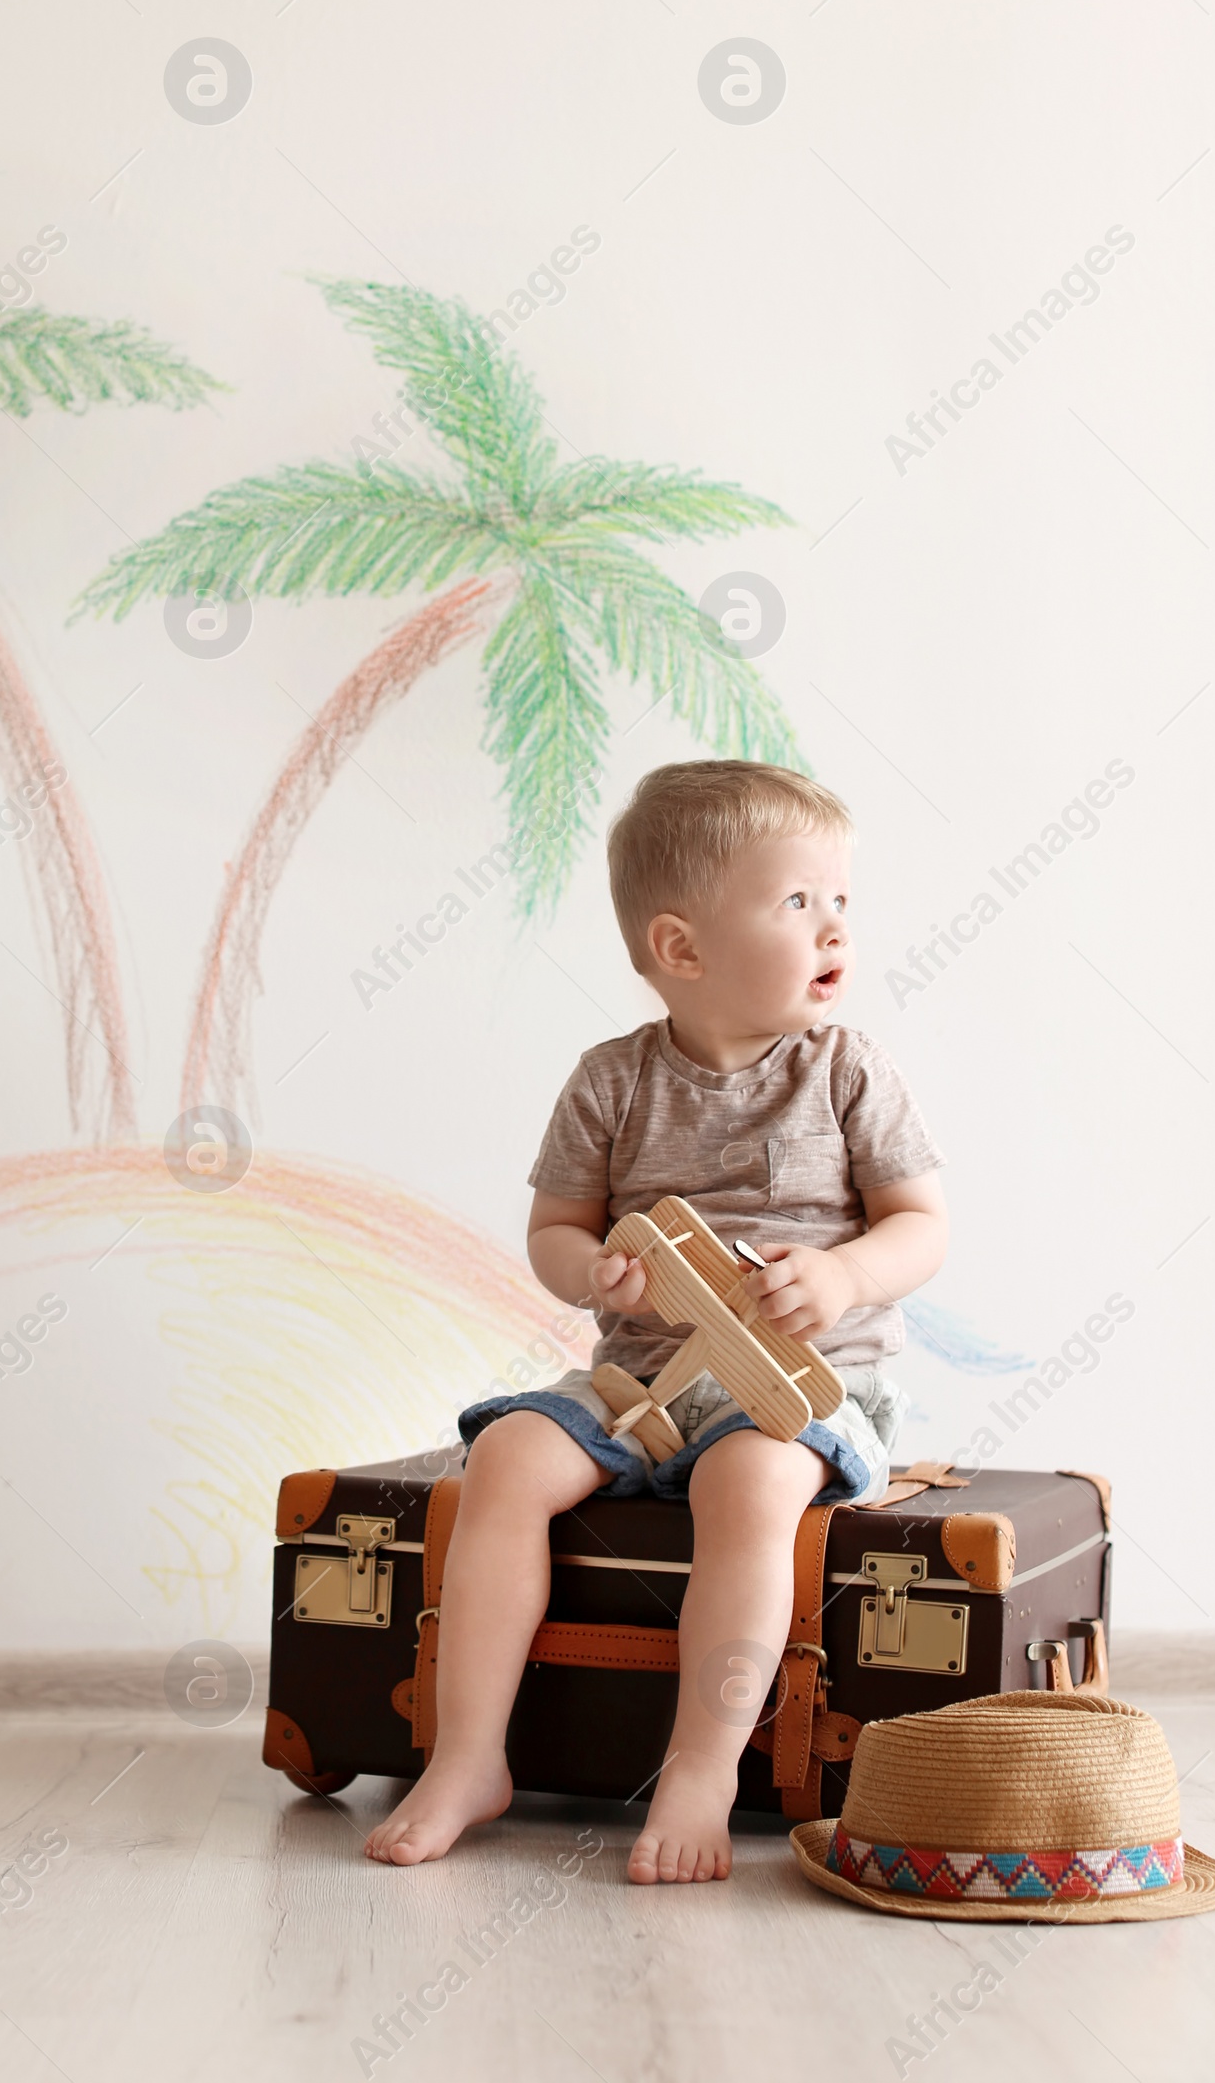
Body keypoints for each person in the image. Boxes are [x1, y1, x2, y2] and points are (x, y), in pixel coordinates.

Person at [363, 760, 948, 1882]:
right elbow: (555, 1235)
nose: (834, 930)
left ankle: (700, 1763)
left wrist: (842, 1278)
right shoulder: (610, 1083)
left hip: (800, 1387)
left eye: (841, 904)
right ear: (681, 950)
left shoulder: (846, 1072)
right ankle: (468, 1754)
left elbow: (921, 1225)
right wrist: (596, 1276)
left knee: (747, 1486)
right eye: (797, 904)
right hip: (639, 1383)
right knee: (506, 1461)